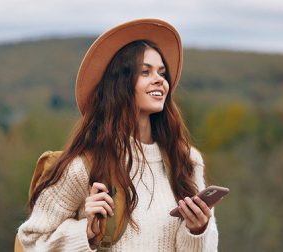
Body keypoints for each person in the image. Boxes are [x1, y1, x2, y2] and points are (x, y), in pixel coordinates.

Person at [17, 18, 219, 251]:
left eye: (162, 73)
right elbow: (31, 241)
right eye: (145, 72)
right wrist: (87, 232)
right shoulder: (83, 166)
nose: (159, 80)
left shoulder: (186, 160)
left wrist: (197, 231)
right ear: (120, 85)